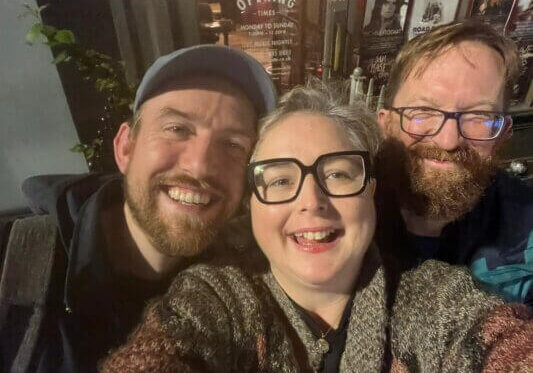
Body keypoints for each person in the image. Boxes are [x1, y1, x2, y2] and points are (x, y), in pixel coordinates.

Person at [100, 81, 532, 373]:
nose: (311, 202)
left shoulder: (433, 300)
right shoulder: (214, 300)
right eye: (282, 180)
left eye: (340, 174)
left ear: (372, 192)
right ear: (251, 204)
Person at [0, 44, 276, 372]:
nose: (201, 166)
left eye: (232, 145)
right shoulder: (11, 266)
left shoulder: (248, 287)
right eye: (177, 129)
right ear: (125, 148)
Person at [376, 20, 533, 305]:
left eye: (478, 117)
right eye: (423, 111)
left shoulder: (527, 227)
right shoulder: (340, 215)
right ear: (386, 123)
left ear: (504, 134)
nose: (448, 141)